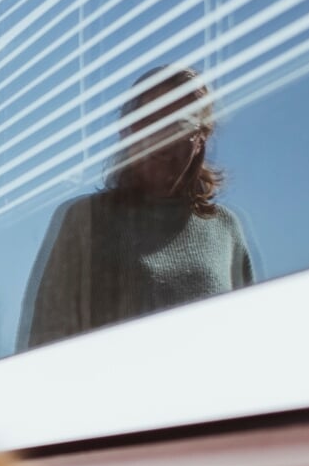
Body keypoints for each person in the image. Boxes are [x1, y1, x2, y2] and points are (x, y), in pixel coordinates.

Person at [19, 67, 255, 350]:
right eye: (149, 122)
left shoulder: (225, 229)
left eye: (179, 126)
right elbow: (43, 343)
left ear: (200, 140)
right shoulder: (86, 221)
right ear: (127, 131)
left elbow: (247, 343)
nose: (161, 139)